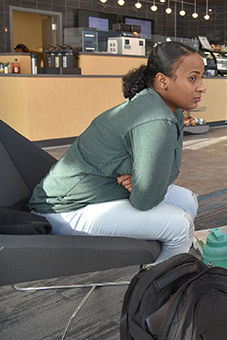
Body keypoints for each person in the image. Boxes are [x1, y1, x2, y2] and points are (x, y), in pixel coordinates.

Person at [29, 41, 205, 265]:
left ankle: (155, 269)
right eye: (193, 78)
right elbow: (145, 200)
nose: (201, 87)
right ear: (162, 81)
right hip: (63, 211)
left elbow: (170, 172)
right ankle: (157, 291)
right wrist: (144, 185)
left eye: (201, 78)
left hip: (100, 193)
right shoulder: (156, 119)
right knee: (179, 226)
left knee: (187, 202)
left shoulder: (170, 111)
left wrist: (143, 182)